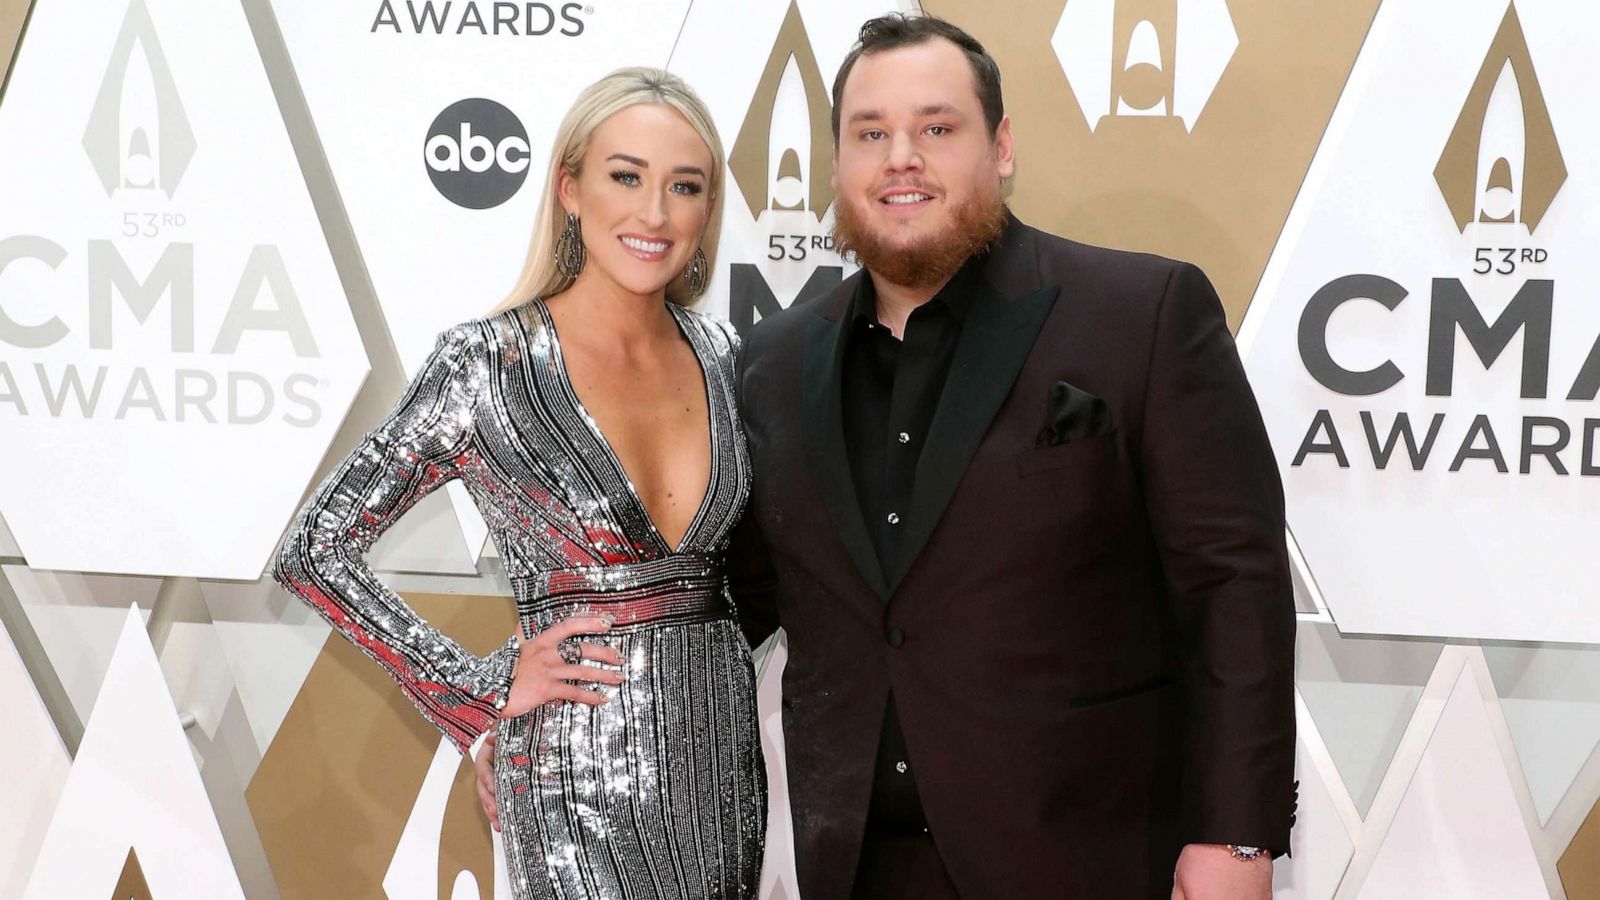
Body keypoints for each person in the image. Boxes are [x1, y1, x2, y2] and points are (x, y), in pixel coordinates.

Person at [727, 14, 1295, 900]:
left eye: (936, 128)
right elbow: (735, 598)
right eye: (870, 133)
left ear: (1001, 147)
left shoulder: (1140, 314)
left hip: (1087, 862)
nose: (901, 156)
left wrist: (1236, 837)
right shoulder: (772, 360)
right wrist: (519, 709)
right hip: (855, 868)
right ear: (837, 165)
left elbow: (1233, 586)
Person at [274, 67, 765, 900]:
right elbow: (315, 549)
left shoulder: (726, 356)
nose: (654, 213)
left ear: (707, 211)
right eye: (626, 177)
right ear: (570, 188)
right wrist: (478, 690)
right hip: (575, 764)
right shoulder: (486, 364)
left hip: (720, 756)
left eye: (684, 187)